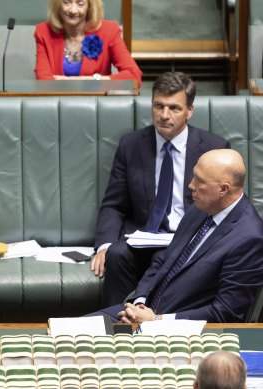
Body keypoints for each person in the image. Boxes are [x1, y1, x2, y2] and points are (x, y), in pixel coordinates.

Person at [93, 72, 229, 306]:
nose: (164, 115)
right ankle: (117, 329)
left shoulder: (213, 148)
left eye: (174, 108)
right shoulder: (131, 145)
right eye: (159, 106)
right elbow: (114, 205)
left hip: (188, 240)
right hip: (143, 238)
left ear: (190, 111)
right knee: (116, 254)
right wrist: (104, 246)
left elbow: (225, 206)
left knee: (165, 259)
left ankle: (156, 331)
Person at [93, 149, 263, 324]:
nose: (191, 185)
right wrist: (140, 302)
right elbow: (163, 260)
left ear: (223, 189)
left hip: (179, 332)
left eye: (200, 181)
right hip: (142, 314)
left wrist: (156, 320)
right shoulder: (200, 208)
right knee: (68, 331)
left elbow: (225, 313)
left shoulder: (249, 239)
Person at [34, 0, 142, 86]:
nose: (73, 10)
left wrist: (90, 80)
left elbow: (134, 76)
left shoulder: (109, 31)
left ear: (90, 6)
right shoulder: (43, 31)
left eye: (80, 3)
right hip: (57, 104)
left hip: (97, 105)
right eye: (66, 2)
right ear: (58, 4)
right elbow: (44, 82)